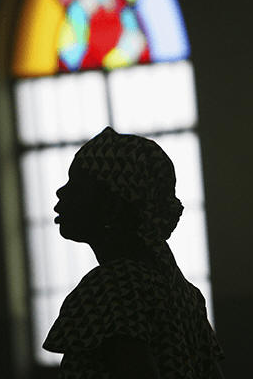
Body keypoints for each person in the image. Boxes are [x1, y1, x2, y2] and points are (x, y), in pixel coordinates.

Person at [43, 127, 224, 378]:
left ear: (113, 205)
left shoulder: (112, 288)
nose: (61, 192)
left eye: (77, 183)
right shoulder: (185, 294)